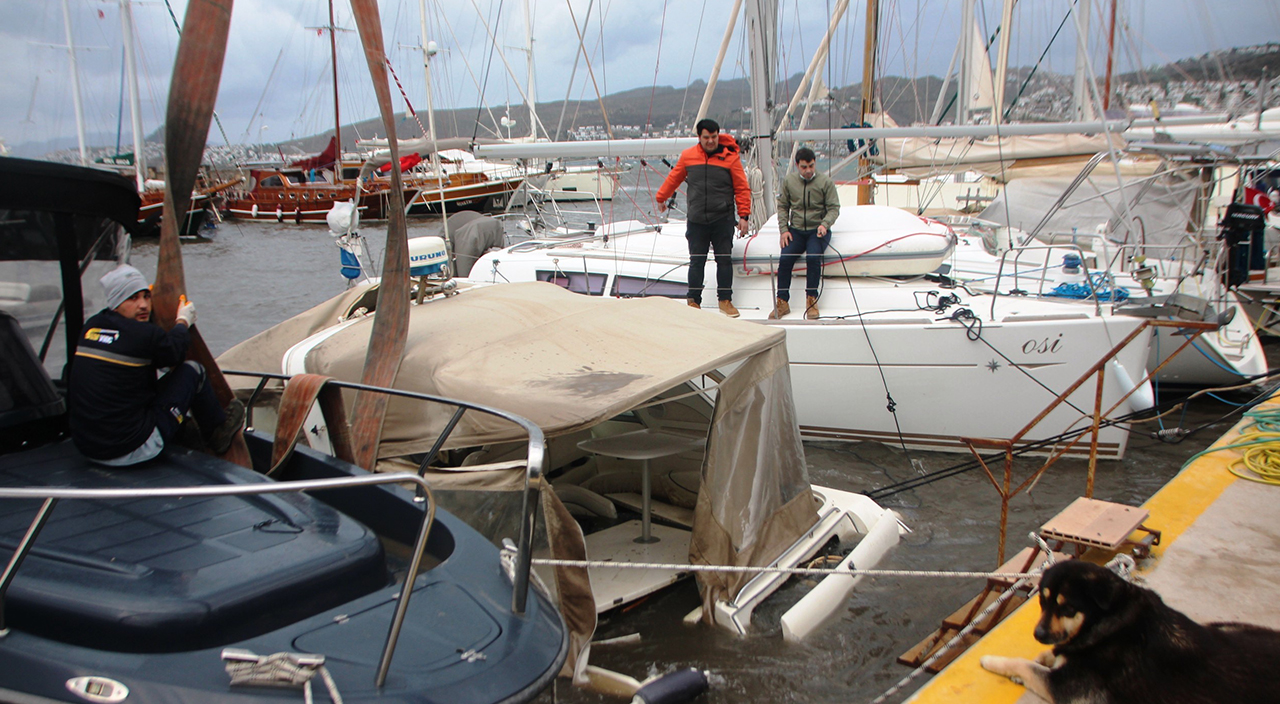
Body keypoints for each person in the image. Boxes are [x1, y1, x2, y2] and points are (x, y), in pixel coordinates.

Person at [69, 265, 244, 466]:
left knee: (144, 384)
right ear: (116, 303)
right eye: (133, 298)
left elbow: (135, 342)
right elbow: (175, 351)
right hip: (132, 449)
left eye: (146, 296)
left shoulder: (91, 326)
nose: (143, 305)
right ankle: (217, 434)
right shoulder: (143, 335)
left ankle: (182, 430)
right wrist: (182, 322)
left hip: (87, 446)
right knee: (193, 371)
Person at [655, 118, 752, 317]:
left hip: (722, 218)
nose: (710, 141)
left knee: (723, 260)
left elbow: (742, 187)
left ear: (718, 136)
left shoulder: (731, 157)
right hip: (697, 219)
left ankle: (725, 300)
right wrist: (661, 197)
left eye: (714, 137)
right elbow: (675, 177)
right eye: (706, 137)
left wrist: (744, 215)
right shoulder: (688, 156)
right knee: (696, 261)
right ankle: (693, 301)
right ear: (699, 137)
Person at [769, 147, 841, 320]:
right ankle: (782, 301)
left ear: (814, 163)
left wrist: (825, 224)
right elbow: (783, 206)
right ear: (797, 166)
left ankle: (811, 300)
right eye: (804, 167)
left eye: (811, 166)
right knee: (785, 258)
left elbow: (834, 208)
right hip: (797, 230)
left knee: (813, 257)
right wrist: (784, 230)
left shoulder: (825, 182)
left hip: (817, 230)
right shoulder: (789, 182)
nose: (808, 171)